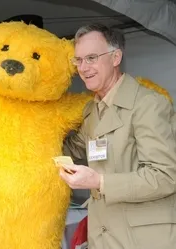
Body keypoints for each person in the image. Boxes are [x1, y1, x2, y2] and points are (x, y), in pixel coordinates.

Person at [60, 23, 176, 249]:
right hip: (105, 239)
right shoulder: (92, 112)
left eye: (91, 58)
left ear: (115, 57)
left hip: (146, 241)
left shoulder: (148, 105)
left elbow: (165, 176)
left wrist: (99, 182)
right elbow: (71, 150)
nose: (83, 68)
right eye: (79, 60)